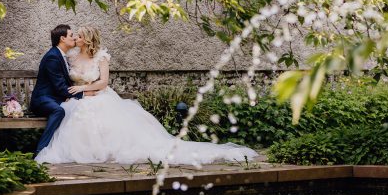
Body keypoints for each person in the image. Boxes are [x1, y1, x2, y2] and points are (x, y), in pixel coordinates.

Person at [35, 26, 257, 165]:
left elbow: (103, 82)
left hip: (97, 95)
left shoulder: (101, 57)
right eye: (74, 36)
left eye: (79, 36)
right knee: (75, 114)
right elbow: (64, 80)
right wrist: (74, 94)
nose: (76, 38)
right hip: (78, 100)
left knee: (104, 120)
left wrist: (84, 90)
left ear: (87, 39)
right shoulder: (70, 57)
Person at [30, 24, 93, 155]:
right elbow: (60, 87)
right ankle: (40, 150)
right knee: (59, 111)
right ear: (62, 39)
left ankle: (79, 150)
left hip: (56, 98)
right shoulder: (52, 57)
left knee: (82, 110)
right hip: (42, 100)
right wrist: (84, 94)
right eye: (71, 35)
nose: (74, 38)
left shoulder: (62, 55)